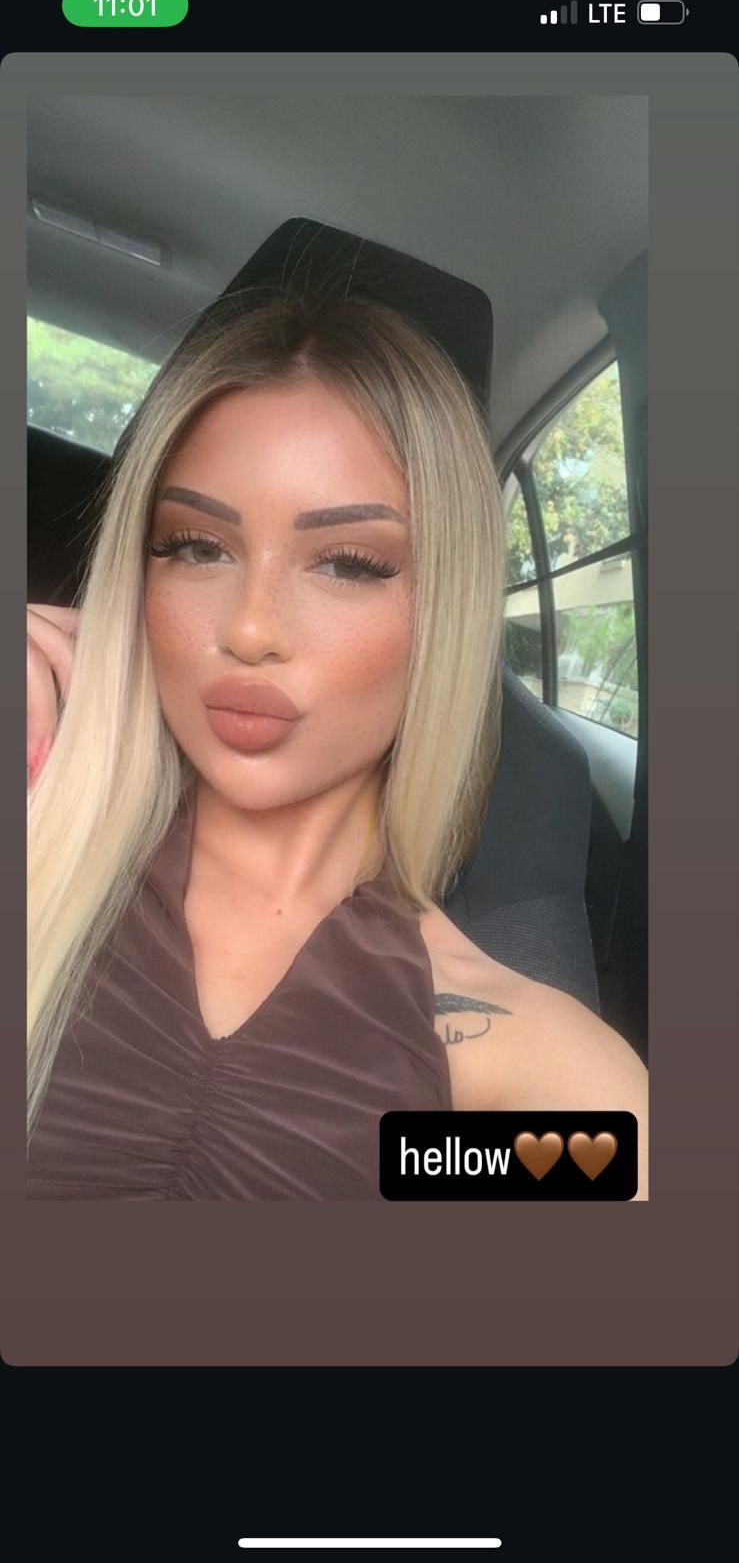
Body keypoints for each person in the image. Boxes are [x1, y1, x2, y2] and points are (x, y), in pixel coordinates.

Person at [26, 290, 648, 1199]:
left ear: (442, 610)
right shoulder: (39, 851)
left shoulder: (504, 1054)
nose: (249, 629)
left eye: (349, 563)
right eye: (196, 547)